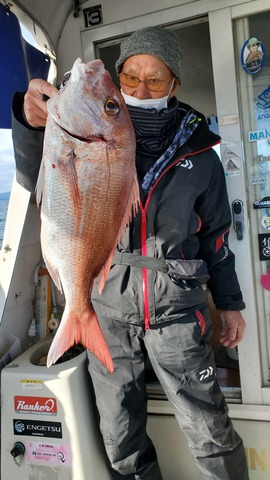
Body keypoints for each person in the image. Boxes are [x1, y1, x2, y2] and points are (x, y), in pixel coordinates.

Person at [12, 26, 249, 480]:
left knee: (210, 429)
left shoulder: (201, 156)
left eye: (155, 79)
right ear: (119, 80)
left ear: (173, 85)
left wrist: (232, 306)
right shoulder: (88, 133)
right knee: (121, 435)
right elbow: (34, 178)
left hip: (177, 311)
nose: (141, 89)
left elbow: (217, 237)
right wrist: (30, 123)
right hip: (105, 309)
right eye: (130, 76)